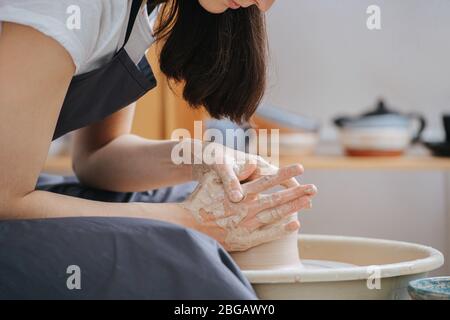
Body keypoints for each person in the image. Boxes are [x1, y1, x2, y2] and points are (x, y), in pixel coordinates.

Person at [0, 0, 316, 299]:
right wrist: (190, 222)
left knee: (203, 205)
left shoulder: (143, 14)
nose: (263, 5)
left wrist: (203, 158)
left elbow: (97, 156)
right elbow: (6, 198)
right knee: (186, 253)